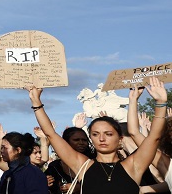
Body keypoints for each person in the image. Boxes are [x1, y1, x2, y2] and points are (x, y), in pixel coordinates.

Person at [28, 78, 169, 193]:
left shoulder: (134, 165)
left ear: (120, 139)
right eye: (95, 134)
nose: (102, 138)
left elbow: (153, 137)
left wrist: (161, 102)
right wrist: (36, 103)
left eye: (108, 134)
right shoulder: (82, 165)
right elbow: (51, 134)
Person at [45, 126, 92, 194]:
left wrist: (78, 187)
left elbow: (101, 183)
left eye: (84, 140)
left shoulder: (93, 162)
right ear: (66, 142)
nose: (81, 142)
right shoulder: (55, 167)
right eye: (76, 140)